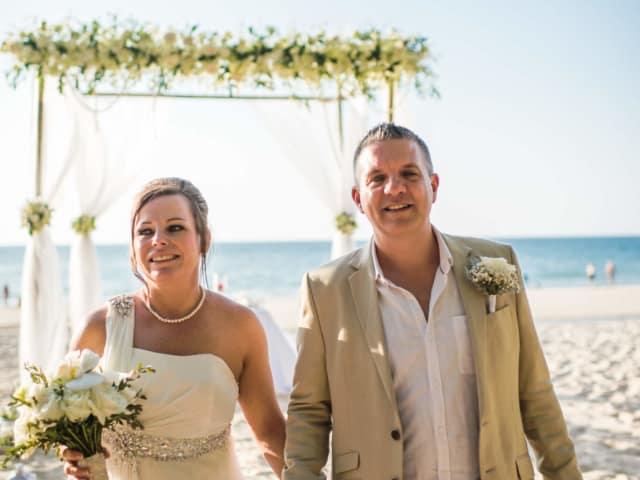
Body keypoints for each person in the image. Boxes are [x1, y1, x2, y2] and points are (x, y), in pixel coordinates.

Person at [284, 124, 581, 479]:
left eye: (409, 174)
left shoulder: (497, 262)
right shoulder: (324, 289)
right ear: (358, 198)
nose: (394, 188)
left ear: (434, 186)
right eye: (377, 178)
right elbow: (310, 410)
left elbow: (534, 390)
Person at [63, 178, 285, 479]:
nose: (158, 240)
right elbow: (69, 428)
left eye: (175, 227)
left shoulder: (240, 326)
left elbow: (269, 430)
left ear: (204, 240)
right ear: (133, 248)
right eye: (145, 231)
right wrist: (73, 455)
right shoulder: (99, 327)